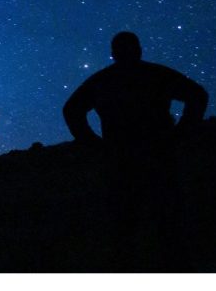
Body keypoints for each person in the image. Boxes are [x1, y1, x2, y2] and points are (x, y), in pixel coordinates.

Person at [62, 31, 208, 269]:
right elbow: (197, 95)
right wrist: (181, 133)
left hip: (124, 160)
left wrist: (94, 144)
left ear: (113, 54)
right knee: (165, 223)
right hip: (156, 156)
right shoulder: (155, 75)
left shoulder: (103, 81)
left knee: (126, 228)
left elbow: (71, 110)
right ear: (139, 50)